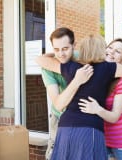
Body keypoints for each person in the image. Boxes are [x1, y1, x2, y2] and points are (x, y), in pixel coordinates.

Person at [35, 29, 122, 159]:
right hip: (89, 128)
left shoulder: (70, 67)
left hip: (65, 126)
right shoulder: (109, 69)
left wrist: (55, 54)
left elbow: (40, 60)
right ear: (102, 50)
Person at [78, 38, 122, 160]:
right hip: (102, 140)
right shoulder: (97, 74)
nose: (111, 52)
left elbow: (114, 117)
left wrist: (97, 109)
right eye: (110, 47)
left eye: (118, 51)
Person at [41, 28, 93, 160]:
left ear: (74, 46)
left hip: (81, 119)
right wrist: (77, 81)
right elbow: (58, 104)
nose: (61, 54)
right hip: (59, 118)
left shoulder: (83, 59)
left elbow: (109, 71)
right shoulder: (47, 67)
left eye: (65, 48)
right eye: (56, 49)